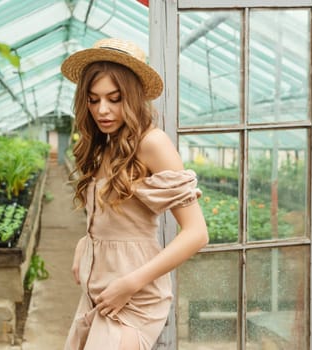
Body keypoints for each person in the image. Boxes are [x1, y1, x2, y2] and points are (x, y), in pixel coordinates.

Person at [60, 37, 208, 350]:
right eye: (93, 99)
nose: (102, 110)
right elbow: (120, 219)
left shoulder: (152, 143)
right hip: (98, 290)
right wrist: (85, 242)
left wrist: (130, 284)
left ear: (133, 97)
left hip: (134, 297)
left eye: (114, 99)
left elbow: (196, 233)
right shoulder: (106, 144)